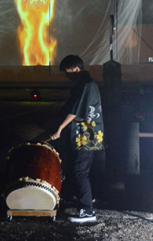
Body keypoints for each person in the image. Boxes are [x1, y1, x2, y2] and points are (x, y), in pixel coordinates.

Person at [51, 55, 104, 223]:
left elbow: (75, 111)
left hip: (87, 136)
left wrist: (59, 128)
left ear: (76, 69)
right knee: (78, 169)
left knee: (80, 171)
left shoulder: (87, 84)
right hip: (83, 135)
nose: (67, 76)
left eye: (67, 73)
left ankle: (88, 210)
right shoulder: (83, 83)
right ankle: (84, 201)